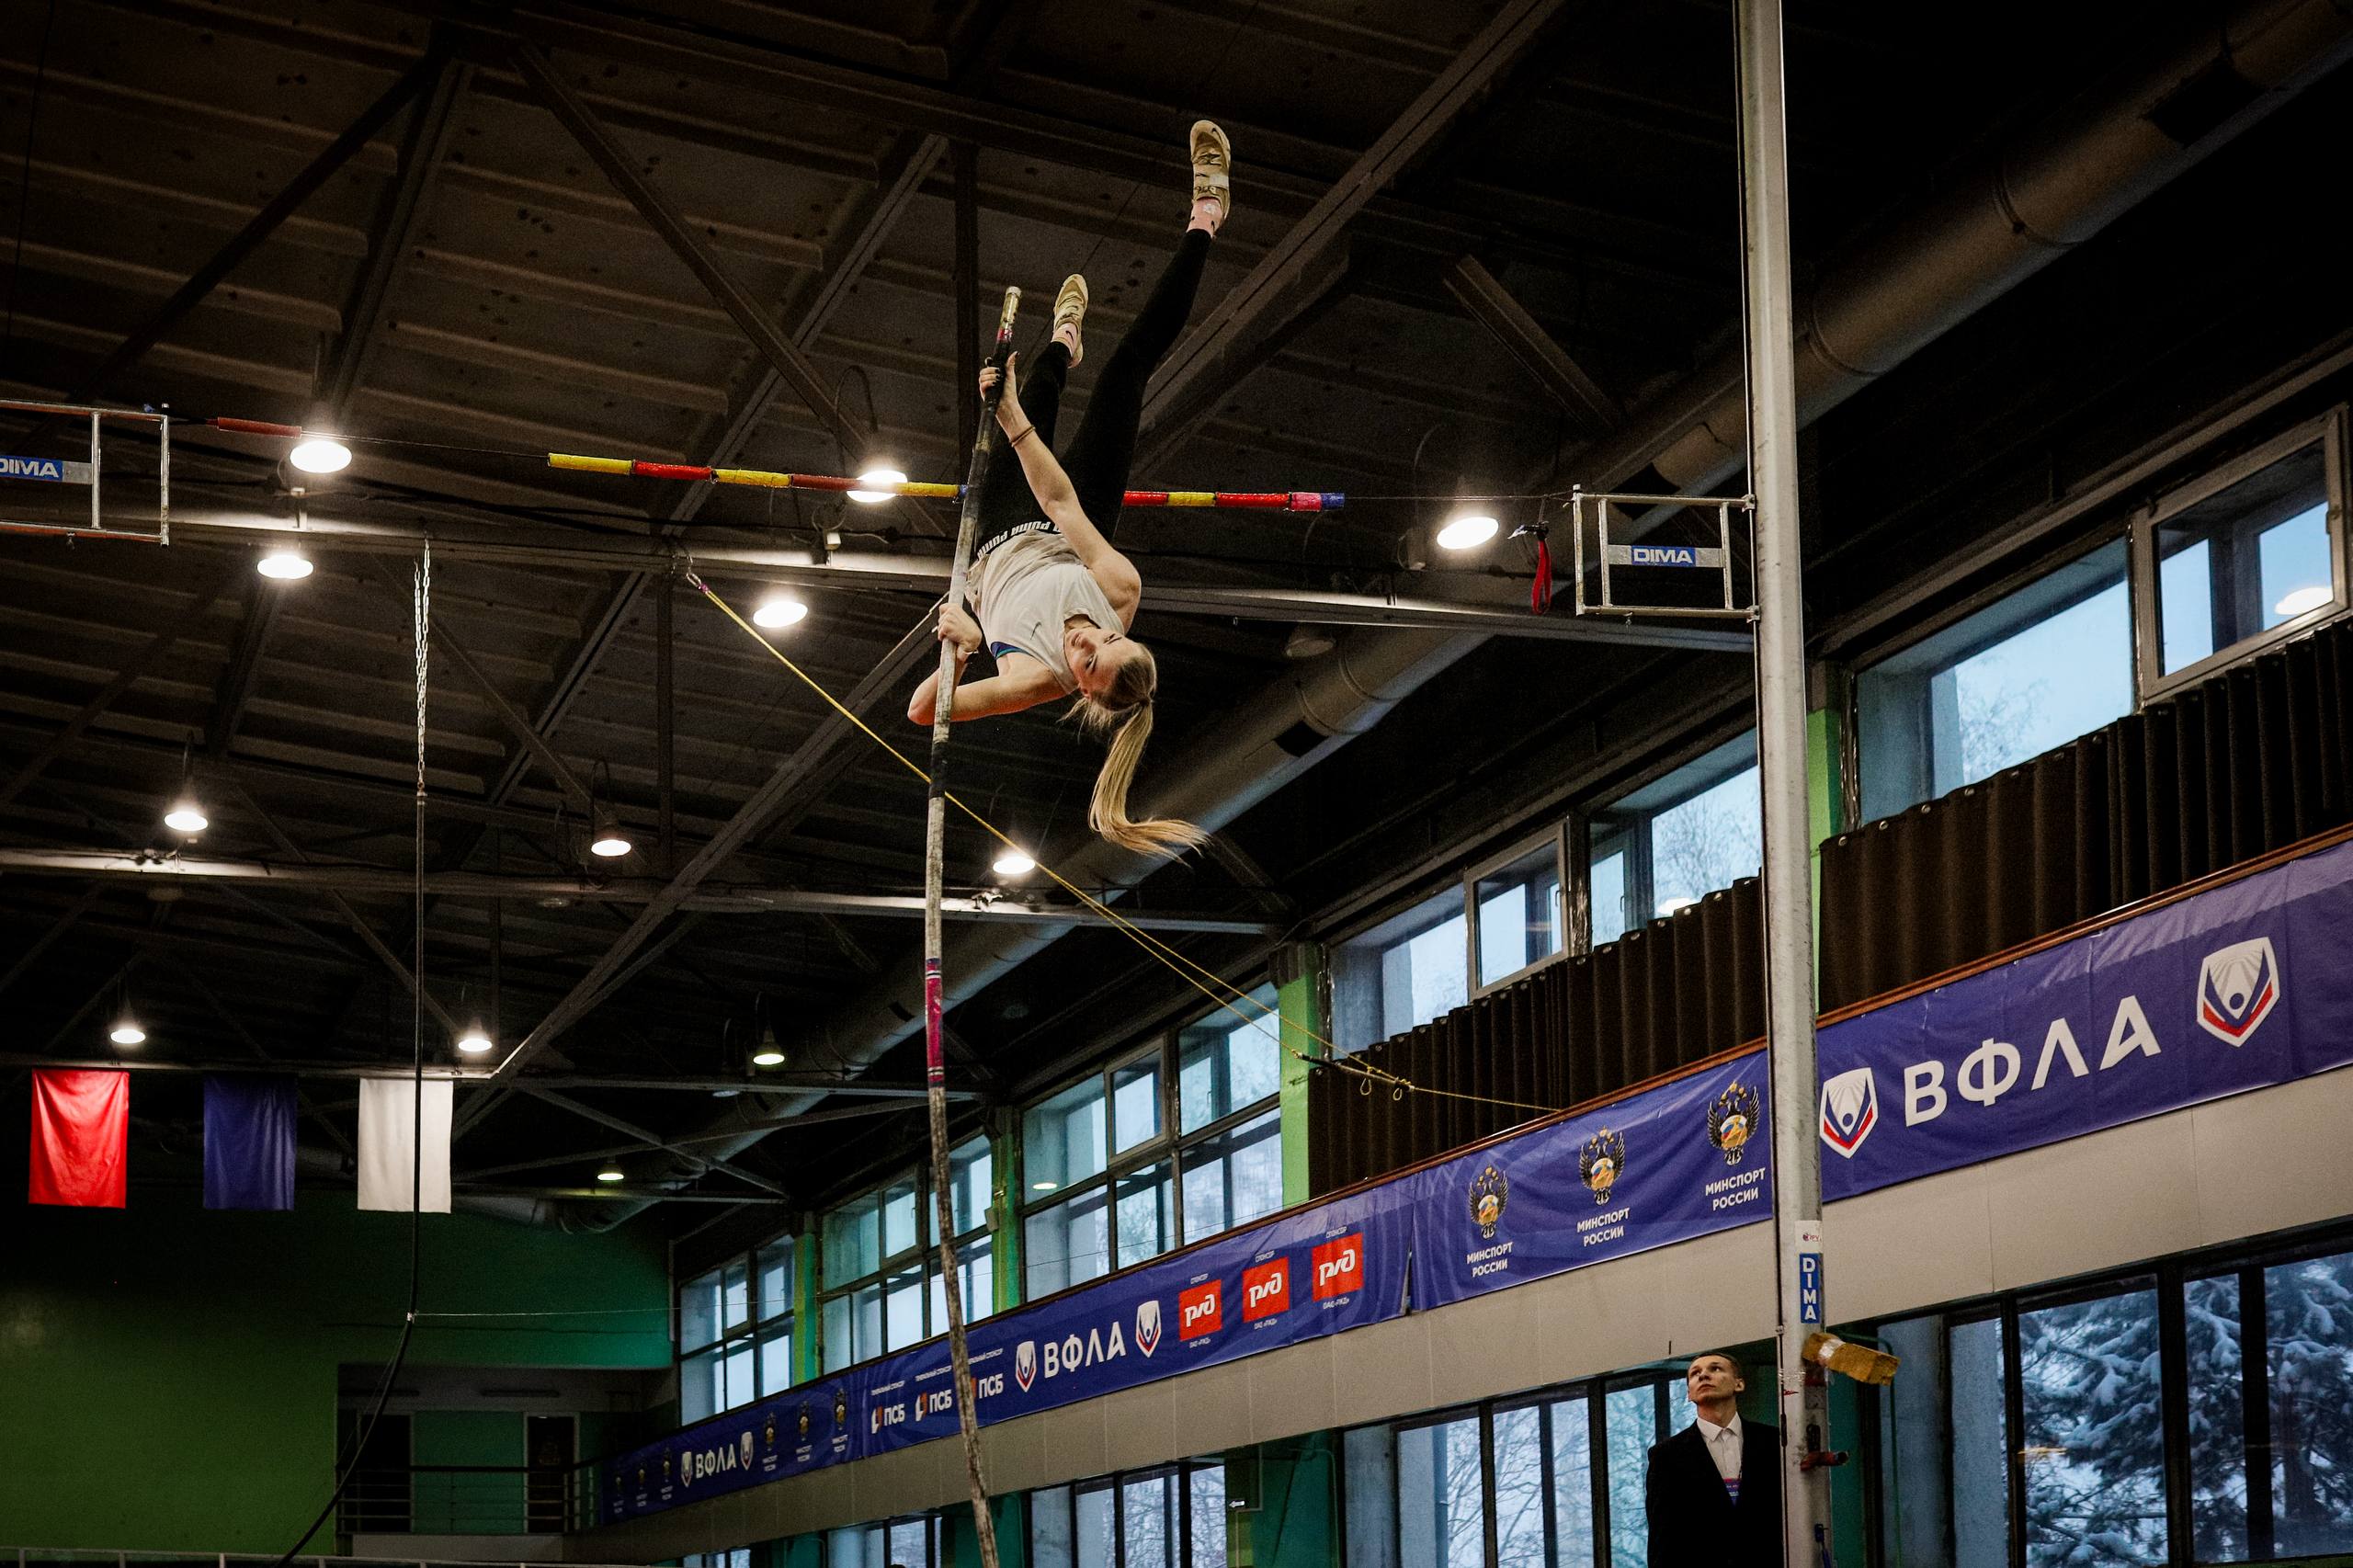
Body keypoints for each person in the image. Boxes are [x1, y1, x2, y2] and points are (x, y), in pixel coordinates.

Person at [908, 120, 1234, 858]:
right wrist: (1010, 414)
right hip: (1062, 521)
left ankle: (1058, 348)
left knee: (1041, 397)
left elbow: (924, 710)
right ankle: (1206, 216)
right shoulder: (1116, 589)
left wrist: (957, 656)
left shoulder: (1030, 679)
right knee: (1122, 375)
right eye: (1109, 639)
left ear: (1083, 689)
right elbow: (1059, 503)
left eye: (1090, 659)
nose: (1089, 638)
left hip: (995, 536)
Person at [1644, 1350, 1781, 1567]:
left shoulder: (1775, 1442)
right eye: (1695, 1373)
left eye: (1715, 1369)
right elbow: (1663, 1536)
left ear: (1739, 1384)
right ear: (1689, 1394)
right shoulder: (1666, 1456)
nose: (1703, 1376)